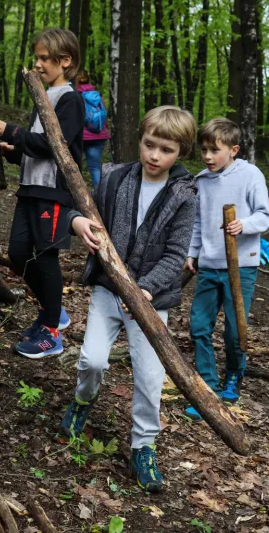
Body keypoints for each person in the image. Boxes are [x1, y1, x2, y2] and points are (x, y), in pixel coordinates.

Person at [60, 105, 198, 493]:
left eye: (166, 149)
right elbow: (81, 206)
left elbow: (176, 255)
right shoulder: (115, 176)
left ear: (181, 152)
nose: (155, 156)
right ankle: (82, 401)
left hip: (151, 301)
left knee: (151, 378)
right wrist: (76, 221)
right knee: (92, 359)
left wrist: (146, 289)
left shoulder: (185, 195)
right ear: (140, 141)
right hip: (109, 287)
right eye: (149, 145)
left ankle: (144, 445)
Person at [0, 28, 85, 359]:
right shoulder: (42, 97)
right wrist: (11, 148)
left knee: (44, 256)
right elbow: (34, 147)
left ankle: (52, 332)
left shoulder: (71, 100)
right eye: (37, 58)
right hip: (30, 188)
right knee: (17, 252)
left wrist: (13, 130)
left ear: (65, 61)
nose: (38, 64)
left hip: (53, 193)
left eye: (45, 58)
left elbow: (55, 146)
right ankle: (52, 310)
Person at [183, 118, 269, 419]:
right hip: (209, 265)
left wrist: (243, 224)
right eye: (204, 150)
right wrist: (193, 252)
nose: (208, 156)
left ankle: (234, 374)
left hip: (241, 265)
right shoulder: (201, 181)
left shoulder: (250, 175)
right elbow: (197, 221)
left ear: (233, 150)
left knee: (235, 330)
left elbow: (265, 216)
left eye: (214, 150)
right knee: (199, 326)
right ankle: (207, 387)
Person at [74, 70, 111, 189]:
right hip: (100, 135)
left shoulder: (76, 96)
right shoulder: (97, 96)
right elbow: (104, 116)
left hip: (83, 137)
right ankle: (101, 197)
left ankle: (75, 194)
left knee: (74, 166)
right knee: (95, 168)